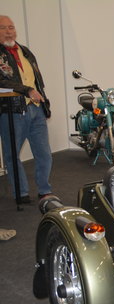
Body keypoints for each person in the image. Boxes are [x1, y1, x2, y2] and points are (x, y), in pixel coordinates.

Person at [0, 15, 52, 203]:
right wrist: (27, 90)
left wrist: (44, 101)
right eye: (3, 28)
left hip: (36, 109)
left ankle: (44, 190)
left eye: (11, 27)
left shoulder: (25, 51)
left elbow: (37, 80)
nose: (8, 31)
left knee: (44, 153)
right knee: (12, 154)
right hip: (12, 110)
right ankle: (20, 193)